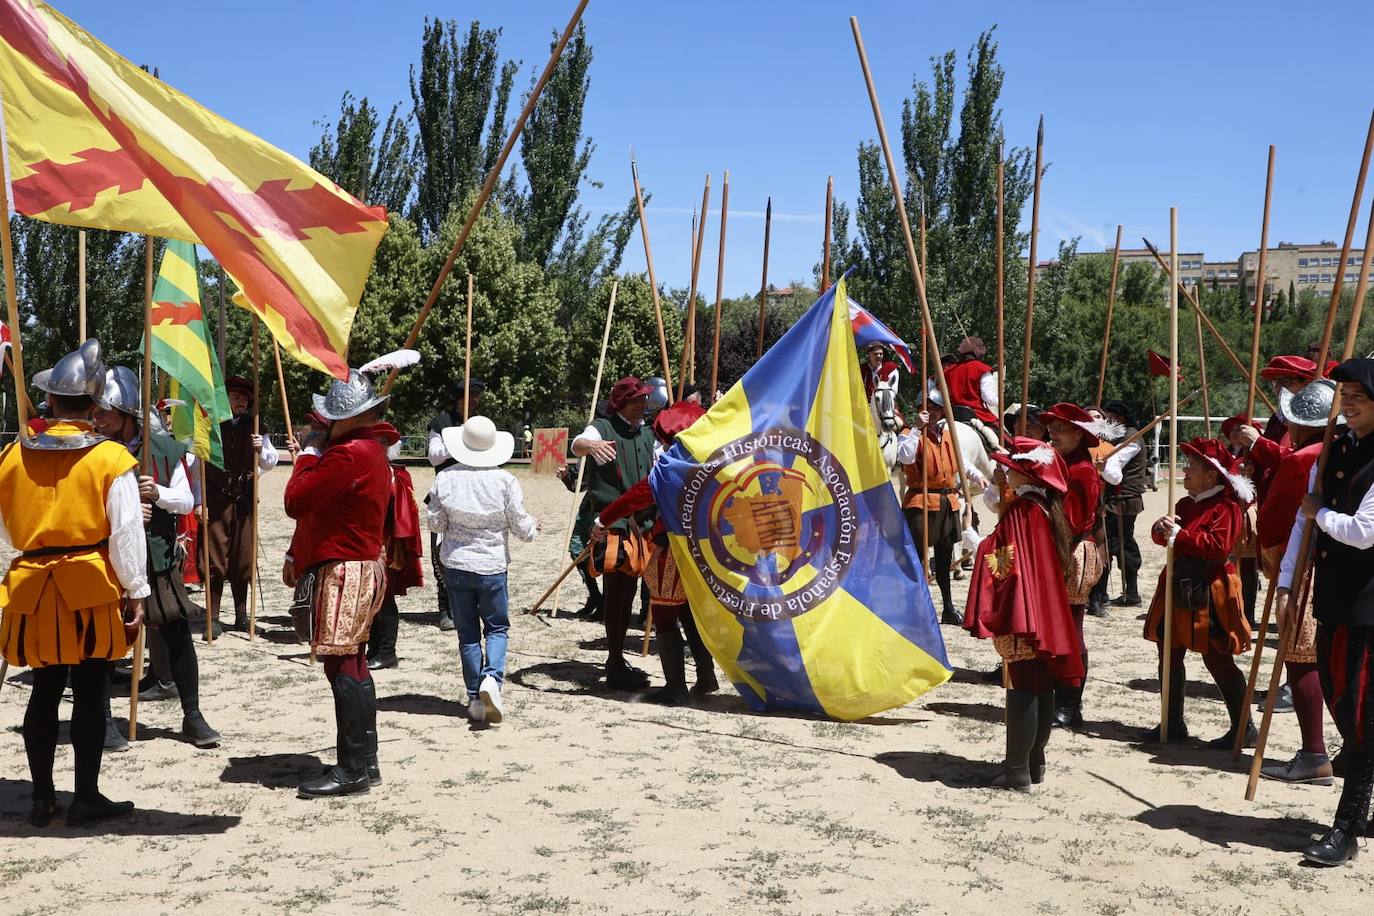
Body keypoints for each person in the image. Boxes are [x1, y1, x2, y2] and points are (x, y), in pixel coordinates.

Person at [0, 340, 145, 826]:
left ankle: (42, 797)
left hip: (33, 587)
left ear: (51, 401)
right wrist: (138, 591)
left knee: (44, 688)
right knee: (88, 690)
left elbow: (6, 529)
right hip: (90, 584)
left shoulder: (12, 455)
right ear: (95, 404)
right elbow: (126, 532)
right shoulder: (111, 459)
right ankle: (84, 797)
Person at [285, 358, 402, 798]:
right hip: (358, 563)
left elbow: (296, 500)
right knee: (351, 663)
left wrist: (309, 454)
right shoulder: (367, 451)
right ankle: (363, 762)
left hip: (346, 568)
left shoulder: (351, 454)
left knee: (343, 666)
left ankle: (353, 767)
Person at [1277, 359, 1374, 865]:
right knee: (1342, 699)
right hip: (1334, 598)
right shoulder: (1334, 451)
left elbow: (1364, 531)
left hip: (1370, 605)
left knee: (1360, 716)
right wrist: (1289, 579)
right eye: (1346, 393)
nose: (1350, 401)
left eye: (1360, 393)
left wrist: (1322, 513)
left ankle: (1347, 826)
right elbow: (1302, 521)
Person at [92, 367, 221, 749]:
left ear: (127, 415)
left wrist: (157, 493)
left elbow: (186, 500)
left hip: (158, 555)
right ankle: (103, 722)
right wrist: (124, 513)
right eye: (96, 412)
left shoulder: (163, 450)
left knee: (178, 635)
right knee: (104, 644)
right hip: (110, 558)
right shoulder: (93, 451)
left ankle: (193, 716)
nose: (98, 418)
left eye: (106, 412)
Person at [964, 437, 1083, 790]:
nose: (1004, 473)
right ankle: (1033, 763)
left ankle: (1017, 770)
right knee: (1040, 684)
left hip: (1025, 608)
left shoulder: (1024, 512)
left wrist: (980, 544)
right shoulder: (1041, 507)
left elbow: (1006, 558)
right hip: (1042, 606)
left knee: (1025, 684)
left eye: (1010, 468)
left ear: (1024, 473)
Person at [595, 401, 718, 705]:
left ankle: (676, 687)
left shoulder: (671, 466)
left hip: (673, 546)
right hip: (705, 548)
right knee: (688, 611)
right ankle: (705, 675)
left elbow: (636, 497)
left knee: (664, 613)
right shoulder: (718, 461)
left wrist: (602, 519)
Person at [1142, 437, 1253, 746]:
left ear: (1212, 475)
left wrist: (1182, 536)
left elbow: (1219, 548)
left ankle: (1244, 728)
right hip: (1179, 583)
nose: (1185, 472)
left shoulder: (1227, 507)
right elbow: (1166, 539)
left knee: (1216, 657)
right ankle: (1172, 723)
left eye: (1192, 467)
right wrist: (1161, 529)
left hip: (1212, 587)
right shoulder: (1184, 504)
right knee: (1169, 651)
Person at [427, 416, 538, 723]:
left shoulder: (444, 478)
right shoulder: (505, 481)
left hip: (457, 565)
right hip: (491, 566)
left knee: (468, 635)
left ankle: (475, 697)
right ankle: (493, 679)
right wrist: (533, 529)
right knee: (497, 628)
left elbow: (435, 523)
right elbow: (520, 525)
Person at [1258, 379, 1338, 786]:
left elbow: (1276, 518)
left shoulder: (1303, 457)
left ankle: (1314, 752)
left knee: (1299, 653)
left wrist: (1268, 556)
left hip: (1307, 563)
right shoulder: (1345, 450)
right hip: (1341, 564)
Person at [571, 377, 657, 690]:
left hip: (642, 524)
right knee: (617, 592)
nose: (643, 405)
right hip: (612, 524)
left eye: (644, 400)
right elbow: (577, 444)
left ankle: (617, 660)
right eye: (637, 400)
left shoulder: (647, 432)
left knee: (629, 593)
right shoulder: (602, 427)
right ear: (622, 402)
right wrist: (591, 446)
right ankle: (615, 662)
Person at [1038, 403, 1114, 728]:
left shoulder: (1081, 470)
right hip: (1056, 550)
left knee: (1071, 628)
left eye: (1061, 428)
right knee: (1059, 628)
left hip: (1071, 552)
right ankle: (1059, 696)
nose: (1053, 432)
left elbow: (1072, 520)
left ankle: (1070, 704)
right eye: (1052, 427)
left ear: (1078, 434)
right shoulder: (1061, 462)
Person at [899, 387, 979, 625]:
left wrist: (977, 476)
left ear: (942, 411)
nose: (931, 412)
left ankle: (948, 608)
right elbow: (905, 457)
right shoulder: (909, 434)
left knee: (944, 559)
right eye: (927, 408)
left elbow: (960, 461)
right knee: (917, 560)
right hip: (921, 502)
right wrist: (915, 428)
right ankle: (916, 610)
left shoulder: (947, 434)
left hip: (946, 502)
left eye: (935, 408)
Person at [204, 375, 278, 631]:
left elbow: (270, 462)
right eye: (236, 397)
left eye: (245, 398)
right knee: (215, 557)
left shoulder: (256, 426)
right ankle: (212, 618)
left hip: (244, 501)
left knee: (242, 558)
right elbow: (196, 463)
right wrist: (198, 500)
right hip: (215, 500)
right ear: (226, 399)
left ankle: (241, 616)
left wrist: (261, 451)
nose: (242, 402)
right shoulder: (210, 424)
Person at [427, 377, 486, 632]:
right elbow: (433, 457)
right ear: (458, 398)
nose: (474, 401)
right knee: (442, 554)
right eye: (470, 396)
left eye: (477, 396)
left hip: (474, 494)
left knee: (472, 551)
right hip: (447, 494)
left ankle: (469, 605)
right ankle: (445, 610)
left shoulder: (480, 424)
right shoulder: (441, 423)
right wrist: (462, 443)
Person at [367, 434, 424, 671]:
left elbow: (403, 513)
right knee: (369, 599)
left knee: (384, 598)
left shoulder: (397, 475)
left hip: (387, 544)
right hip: (368, 540)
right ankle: (373, 649)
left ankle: (387, 652)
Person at [1094, 400, 1146, 609]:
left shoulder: (1131, 439)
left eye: (1109, 418)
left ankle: (1129, 593)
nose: (1106, 422)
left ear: (1120, 419)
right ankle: (1107, 592)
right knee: (1114, 542)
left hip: (1123, 499)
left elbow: (1114, 470)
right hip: (1116, 499)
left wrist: (1102, 461)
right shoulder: (1121, 438)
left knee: (1118, 544)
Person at [1259, 356, 1319, 445]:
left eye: (1286, 381)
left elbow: (1302, 455)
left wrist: (1258, 442)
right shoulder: (1276, 419)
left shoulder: (1316, 420)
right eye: (1275, 382)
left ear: (1307, 384)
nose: (1278, 387)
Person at [944, 336, 999, 424]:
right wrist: (999, 401)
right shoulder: (982, 369)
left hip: (951, 415)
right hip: (976, 414)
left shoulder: (948, 371)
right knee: (1002, 434)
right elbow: (988, 397)